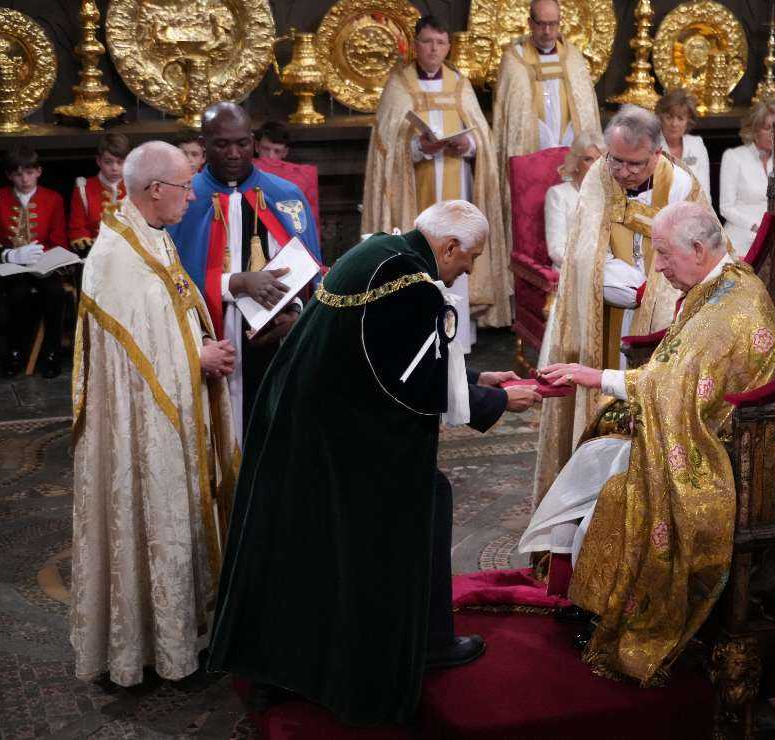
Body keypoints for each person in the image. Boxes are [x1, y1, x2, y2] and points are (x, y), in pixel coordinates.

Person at [207, 200, 539, 726]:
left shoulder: (381, 251)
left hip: (301, 427)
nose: (469, 270)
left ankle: (273, 668)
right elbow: (411, 383)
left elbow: (392, 354)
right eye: (469, 258)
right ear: (448, 246)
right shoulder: (413, 286)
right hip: (346, 441)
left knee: (299, 545)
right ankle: (424, 646)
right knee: (428, 500)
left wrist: (475, 381)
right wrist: (498, 402)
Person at [520, 202, 775, 682]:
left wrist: (595, 376)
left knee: (621, 492)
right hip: (684, 425)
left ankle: (614, 613)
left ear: (700, 250)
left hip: (717, 452)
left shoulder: (734, 308)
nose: (658, 268)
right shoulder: (717, 284)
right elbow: (676, 376)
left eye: (664, 255)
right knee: (598, 453)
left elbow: (679, 388)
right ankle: (575, 586)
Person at [70, 141, 238, 687]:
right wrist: (200, 357)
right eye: (186, 187)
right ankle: (153, 645)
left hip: (182, 413)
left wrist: (201, 351)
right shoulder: (116, 260)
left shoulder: (151, 237)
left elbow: (170, 316)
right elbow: (133, 371)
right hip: (144, 433)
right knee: (148, 519)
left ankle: (188, 630)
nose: (193, 197)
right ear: (155, 190)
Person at [532, 106, 715, 507]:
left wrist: (653, 290)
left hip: (660, 309)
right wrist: (613, 276)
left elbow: (702, 252)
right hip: (607, 309)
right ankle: (590, 495)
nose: (623, 171)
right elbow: (581, 249)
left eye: (634, 164)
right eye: (616, 160)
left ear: (656, 155)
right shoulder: (600, 176)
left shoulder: (682, 186)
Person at [168, 101, 322, 444]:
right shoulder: (185, 201)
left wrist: (296, 315)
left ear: (253, 141)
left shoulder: (285, 196)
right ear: (204, 143)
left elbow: (310, 273)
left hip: (274, 335)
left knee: (273, 430)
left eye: (242, 142)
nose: (234, 153)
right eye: (222, 144)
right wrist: (235, 283)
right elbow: (172, 279)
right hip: (210, 333)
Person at [362, 15, 510, 345]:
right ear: (415, 45)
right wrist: (418, 147)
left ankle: (459, 339)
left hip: (459, 184)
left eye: (440, 43)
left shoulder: (459, 83)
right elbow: (386, 148)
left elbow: (482, 141)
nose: (433, 49)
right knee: (424, 248)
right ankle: (416, 332)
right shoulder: (399, 85)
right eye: (427, 42)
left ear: (448, 47)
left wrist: (467, 144)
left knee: (458, 247)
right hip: (416, 191)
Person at [494, 0, 602, 257]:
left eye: (552, 24)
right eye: (541, 24)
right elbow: (512, 114)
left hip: (571, 151)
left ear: (559, 24)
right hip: (530, 152)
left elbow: (585, 108)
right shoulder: (514, 60)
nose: (547, 31)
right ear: (530, 23)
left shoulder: (573, 58)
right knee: (530, 217)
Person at [0, 146, 67, 378]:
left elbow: (59, 239)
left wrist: (44, 257)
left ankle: (51, 352)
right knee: (17, 295)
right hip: (12, 266)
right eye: (18, 174)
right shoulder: (0, 198)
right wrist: (9, 254)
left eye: (29, 172)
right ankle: (15, 351)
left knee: (55, 294)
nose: (24, 179)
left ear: (39, 171)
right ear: (9, 176)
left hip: (44, 264)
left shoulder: (53, 198)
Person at [719, 102, 775, 256]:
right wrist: (755, 227)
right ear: (753, 130)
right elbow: (726, 208)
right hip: (741, 232)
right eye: (767, 128)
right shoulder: (734, 157)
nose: (774, 133)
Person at [544, 131, 604, 268]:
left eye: (599, 159)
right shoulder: (558, 194)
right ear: (576, 162)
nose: (595, 165)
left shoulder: (610, 193)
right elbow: (556, 249)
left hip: (606, 266)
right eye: (588, 159)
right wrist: (586, 267)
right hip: (570, 270)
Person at [69, 133, 130, 254]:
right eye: (108, 162)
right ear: (98, 161)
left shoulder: (135, 187)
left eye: (120, 162)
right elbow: (77, 228)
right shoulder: (83, 189)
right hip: (96, 254)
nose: (114, 168)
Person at [656, 88, 710, 196]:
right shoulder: (651, 145)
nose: (674, 124)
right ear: (660, 118)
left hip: (693, 209)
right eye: (669, 117)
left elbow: (704, 190)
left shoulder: (697, 144)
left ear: (688, 121)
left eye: (680, 118)